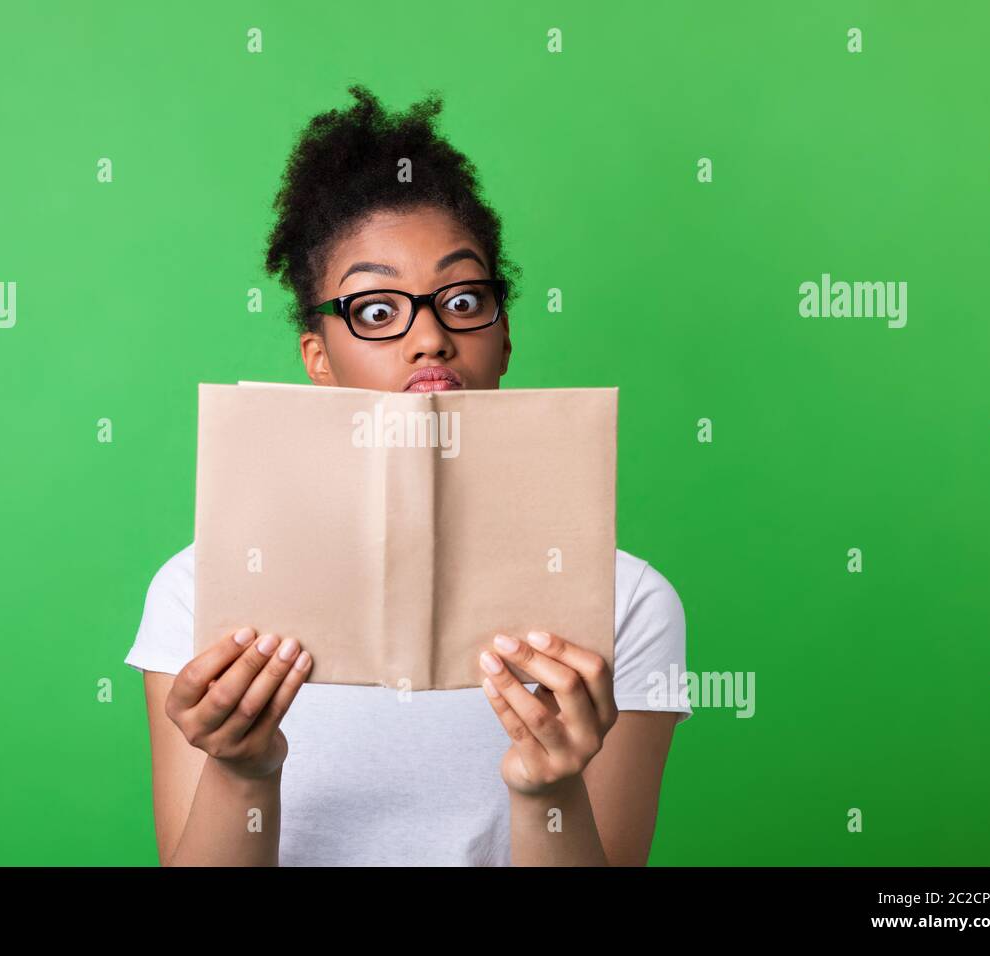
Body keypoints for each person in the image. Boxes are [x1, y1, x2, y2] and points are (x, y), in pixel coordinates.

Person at [125, 84, 692, 866]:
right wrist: (242, 774)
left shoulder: (625, 604)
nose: (430, 336)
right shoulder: (202, 596)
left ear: (504, 340)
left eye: (463, 299)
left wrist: (549, 791)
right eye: (378, 311)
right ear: (317, 360)